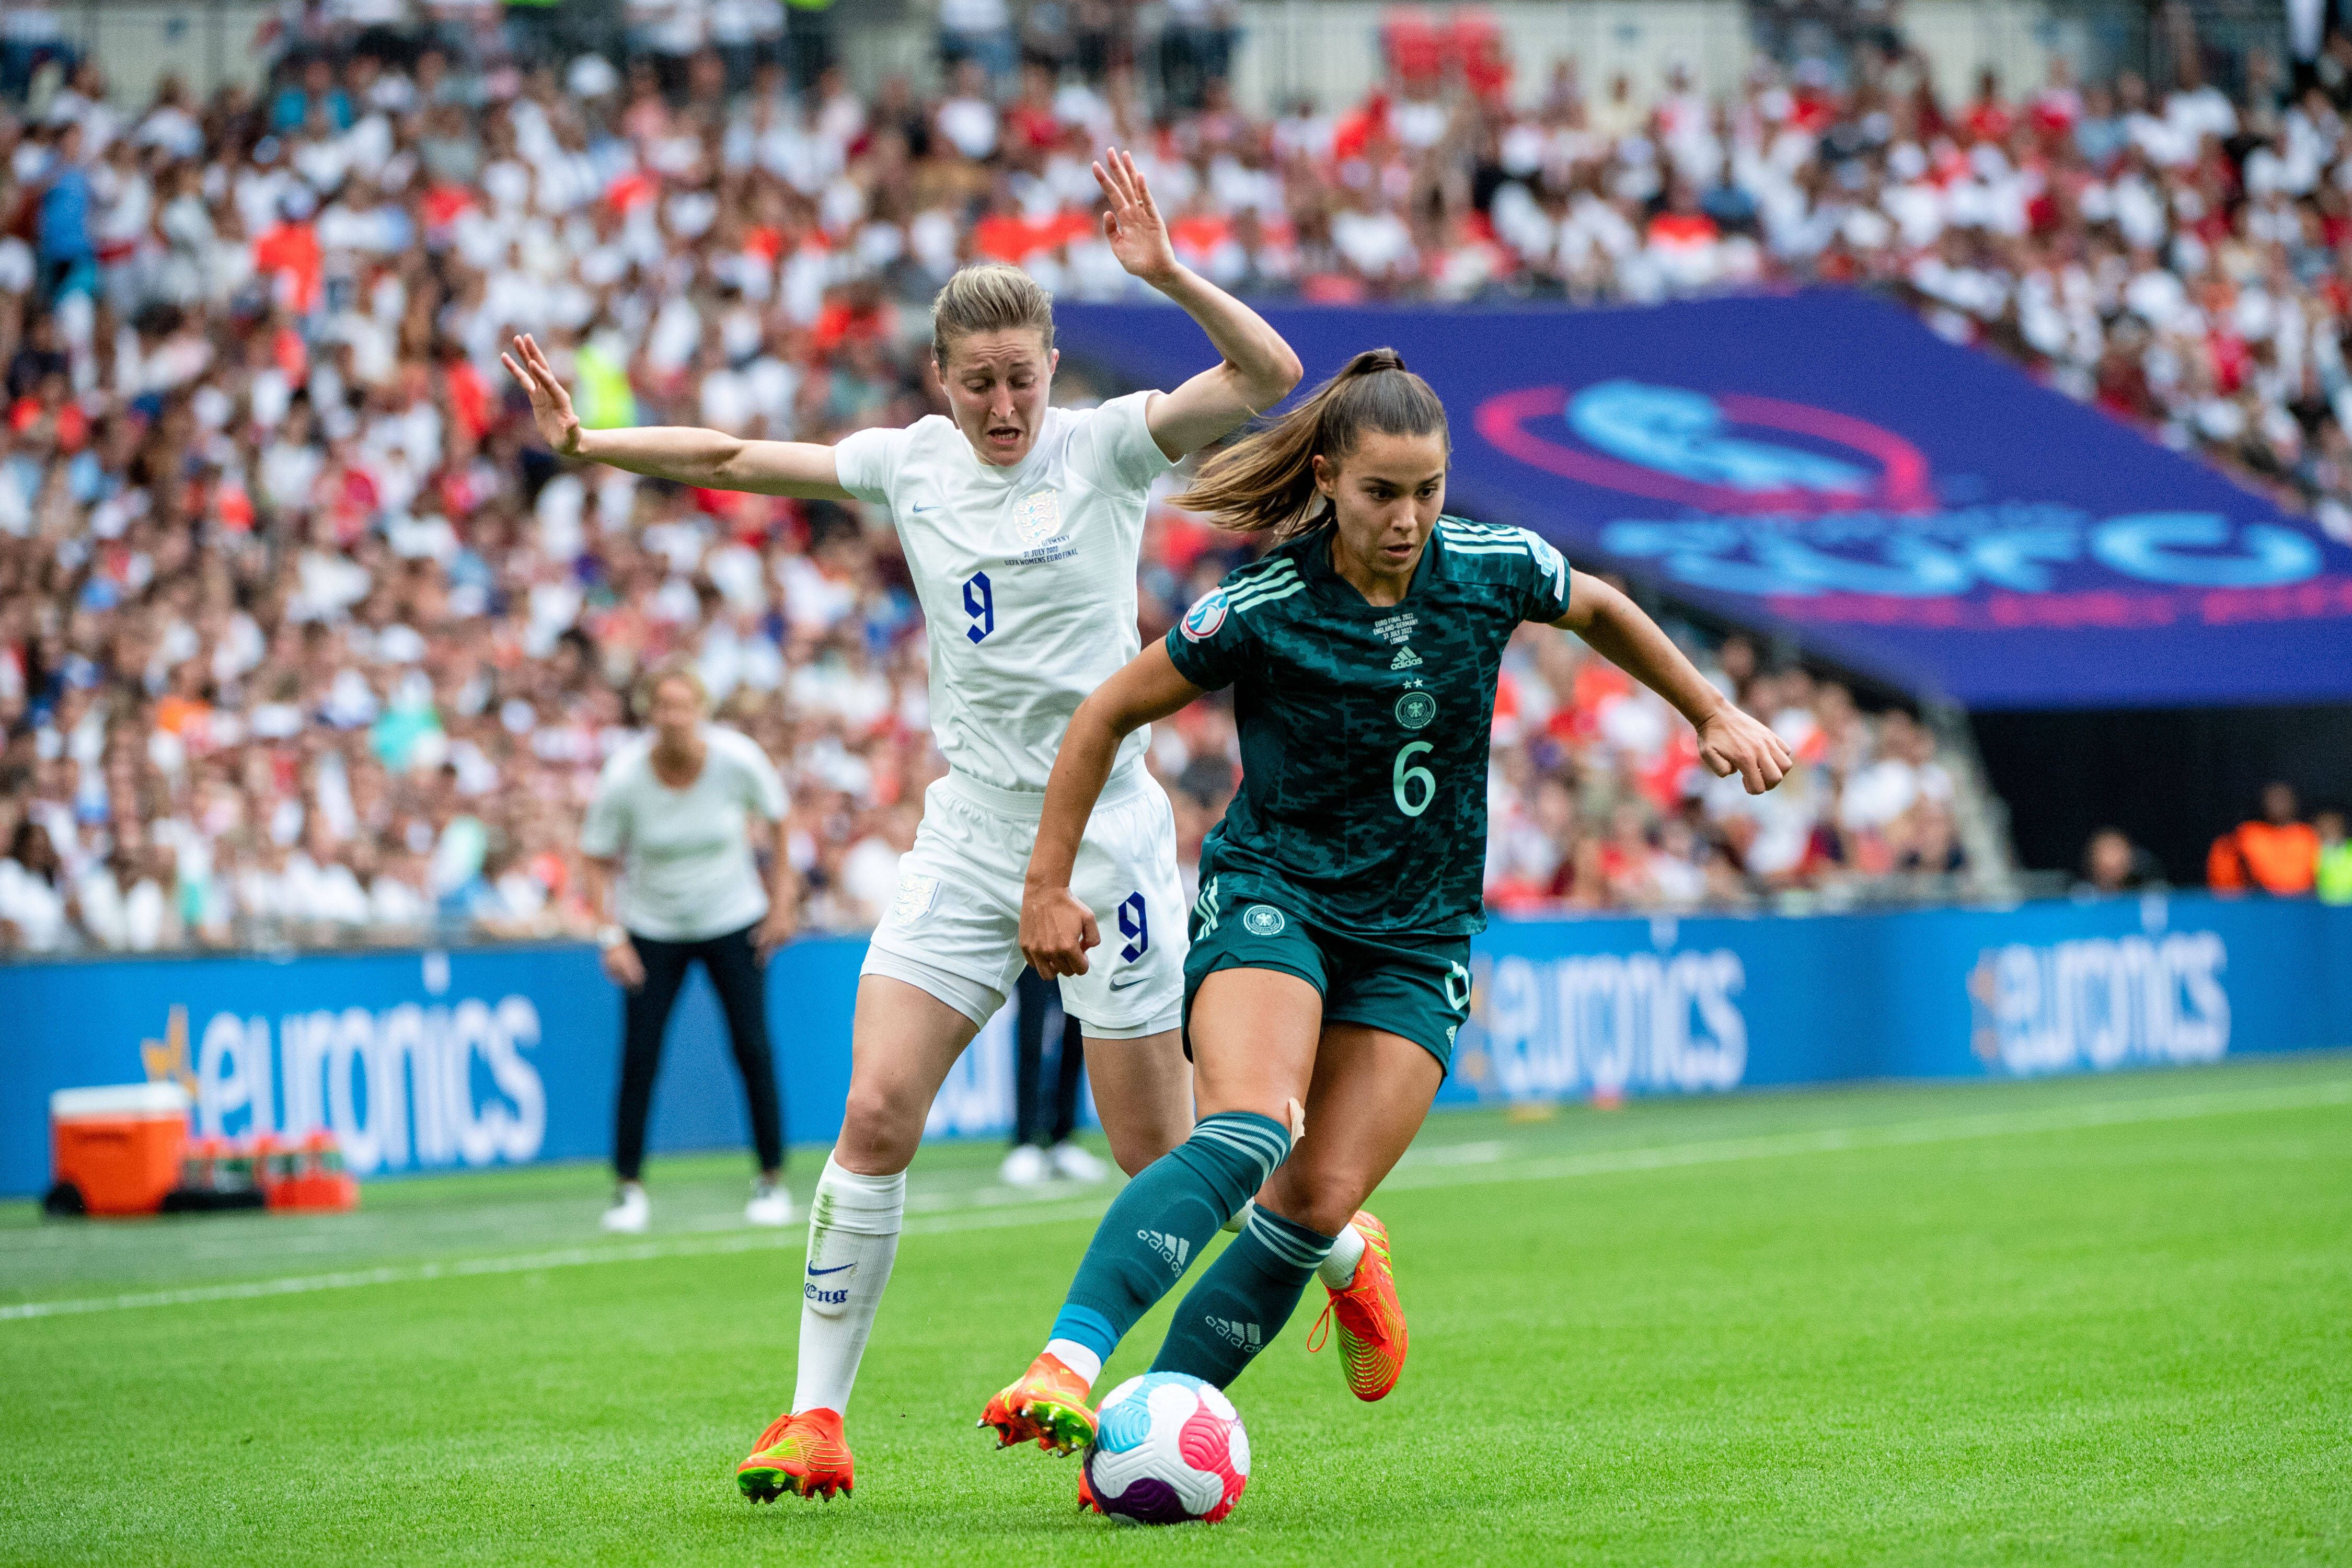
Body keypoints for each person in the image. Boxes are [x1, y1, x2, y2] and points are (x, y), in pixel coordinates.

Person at [504, 148, 1302, 1505]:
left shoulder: (1105, 448)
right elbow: (733, 454)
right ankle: (813, 1422)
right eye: (977, 380)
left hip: (1106, 839)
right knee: (874, 1111)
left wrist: (1163, 271)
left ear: (1053, 365)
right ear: (940, 379)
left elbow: (1269, 380)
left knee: (1155, 1158)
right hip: (970, 839)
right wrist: (588, 444)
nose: (1002, 403)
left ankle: (1336, 1239)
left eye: (1022, 375)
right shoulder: (912, 464)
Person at [978, 350, 1791, 1470]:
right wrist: (1046, 885)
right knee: (1253, 1127)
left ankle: (1148, 1435)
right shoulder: (1265, 604)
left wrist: (1709, 710)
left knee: (1313, 1202)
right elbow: (1106, 710)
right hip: (1279, 896)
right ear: (1327, 478)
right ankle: (1067, 1362)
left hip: (1419, 934)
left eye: (1429, 490)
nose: (1409, 518)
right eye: (1381, 493)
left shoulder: (1491, 568)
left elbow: (1598, 605)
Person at [580, 661, 800, 1235]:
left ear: (701, 712)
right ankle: (627, 1189)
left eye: (685, 706)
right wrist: (611, 935)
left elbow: (779, 824)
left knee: (753, 1048)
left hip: (733, 918)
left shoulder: (738, 759)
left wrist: (782, 904)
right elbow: (597, 859)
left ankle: (771, 1180)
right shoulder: (625, 775)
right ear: (649, 714)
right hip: (652, 926)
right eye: (663, 707)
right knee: (640, 1057)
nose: (674, 718)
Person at [1000, 965, 1103, 1186]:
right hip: (1035, 937)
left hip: (1080, 937)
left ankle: (1063, 1139)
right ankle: (1026, 1140)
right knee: (1032, 1027)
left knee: (1077, 1030)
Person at [2207, 782, 2320, 895]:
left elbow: (2309, 877)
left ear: (2294, 802)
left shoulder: (2308, 835)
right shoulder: (2250, 833)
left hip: (2301, 904)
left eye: (2282, 799)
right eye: (2273, 799)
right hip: (2259, 903)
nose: (2278, 804)